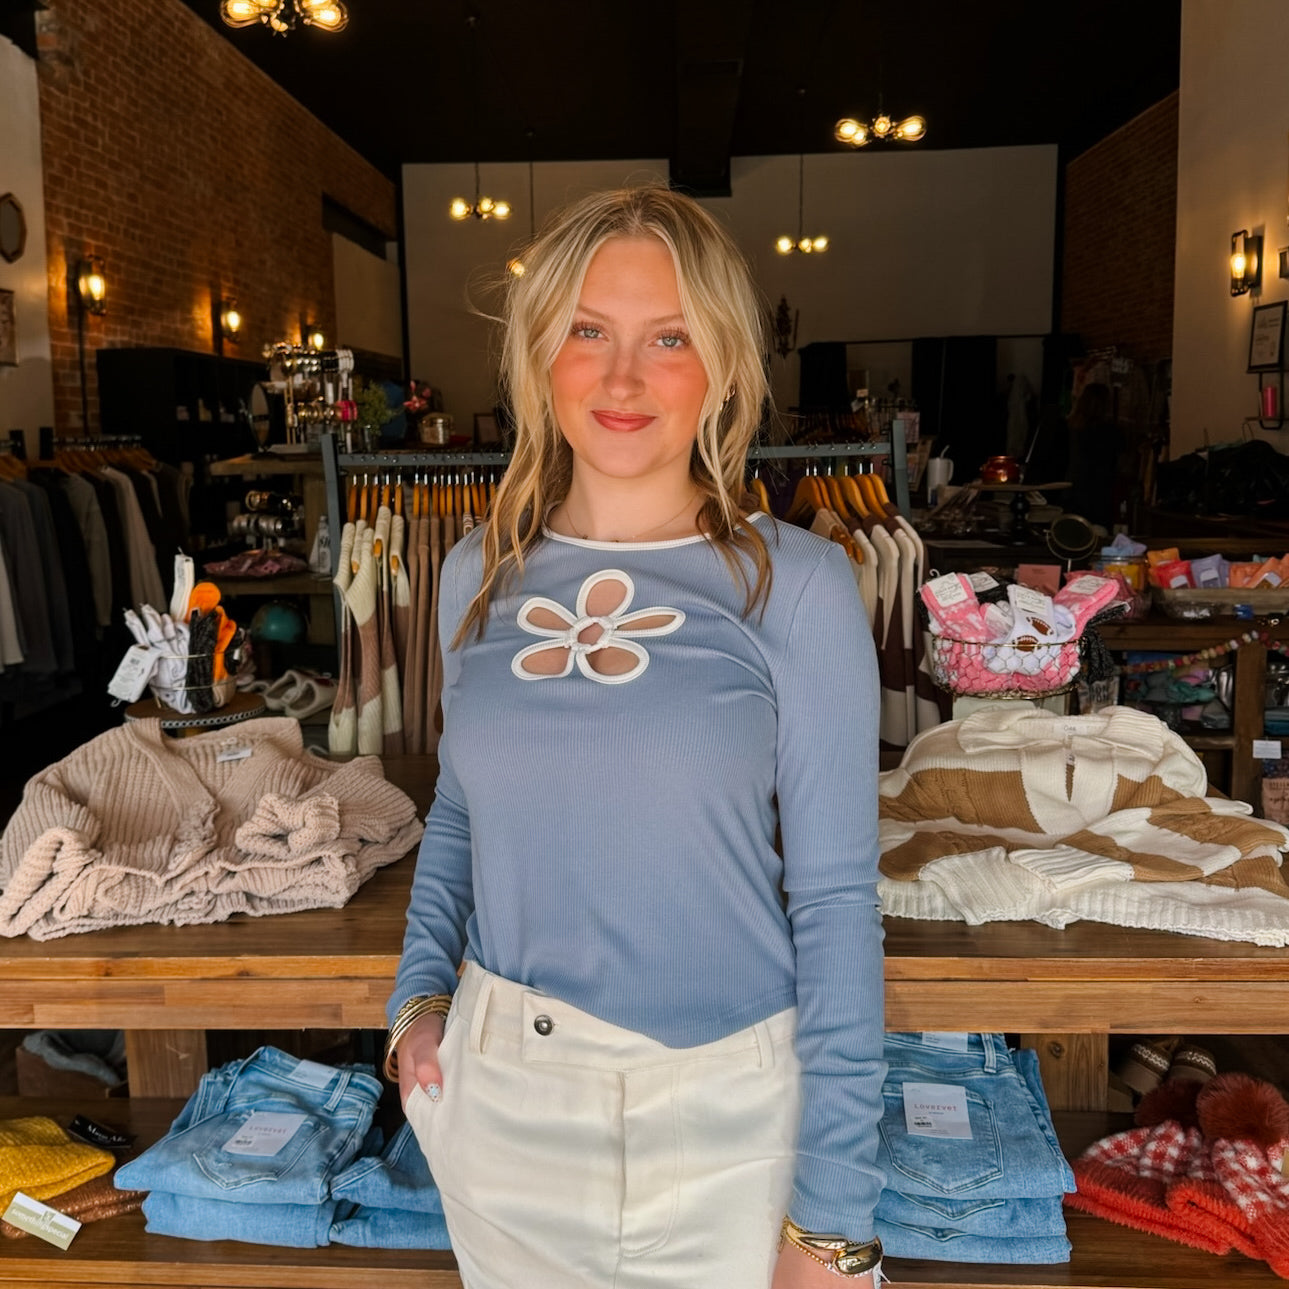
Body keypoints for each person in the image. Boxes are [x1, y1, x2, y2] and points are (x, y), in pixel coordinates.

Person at [385, 185, 885, 1288]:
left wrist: (832, 1222)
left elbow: (839, 899)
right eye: (587, 333)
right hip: (503, 1110)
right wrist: (416, 1000)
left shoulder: (795, 586)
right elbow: (460, 812)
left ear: (718, 364)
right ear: (537, 355)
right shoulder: (474, 573)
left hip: (732, 1120)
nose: (621, 379)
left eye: (666, 338)